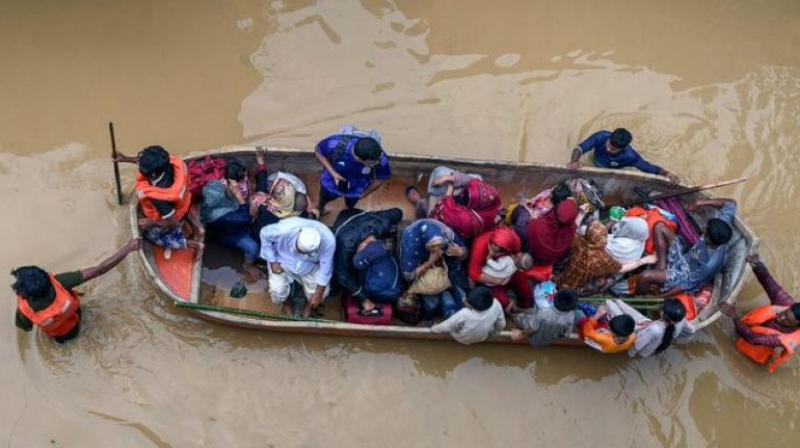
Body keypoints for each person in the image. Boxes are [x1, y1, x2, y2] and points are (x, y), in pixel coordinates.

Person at [13, 239, 141, 343]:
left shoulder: (23, 310)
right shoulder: (61, 282)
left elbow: (26, 328)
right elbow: (100, 269)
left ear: (23, 294)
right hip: (75, 315)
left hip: (61, 336)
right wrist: (127, 249)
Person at [635, 199, 737, 296]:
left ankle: (640, 294)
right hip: (687, 255)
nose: (704, 228)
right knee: (659, 227)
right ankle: (661, 266)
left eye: (706, 230)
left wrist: (663, 296)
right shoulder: (721, 227)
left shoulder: (709, 265)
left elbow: (687, 284)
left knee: (644, 276)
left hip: (684, 274)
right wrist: (700, 203)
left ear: (708, 239)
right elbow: (731, 203)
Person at [115, 146, 204, 256]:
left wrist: (151, 222)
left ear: (152, 175)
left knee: (149, 234)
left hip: (174, 218)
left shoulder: (158, 197)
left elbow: (174, 223)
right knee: (181, 207)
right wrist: (125, 159)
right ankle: (198, 227)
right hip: (184, 203)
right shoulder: (167, 162)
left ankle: (195, 245)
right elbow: (146, 161)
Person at [719, 253, 800, 373]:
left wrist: (734, 316)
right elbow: (768, 282)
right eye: (785, 313)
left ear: (796, 325)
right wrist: (757, 264)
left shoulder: (783, 339)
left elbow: (753, 339)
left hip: (757, 345)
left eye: (787, 320)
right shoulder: (784, 302)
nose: (781, 317)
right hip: (756, 328)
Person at [331, 208, 403, 316]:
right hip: (341, 225)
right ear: (363, 244)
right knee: (337, 278)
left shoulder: (382, 224)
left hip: (357, 215)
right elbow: (343, 276)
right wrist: (363, 299)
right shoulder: (346, 247)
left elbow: (398, 213)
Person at [259, 217, 335, 317]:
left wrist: (318, 294)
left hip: (310, 266)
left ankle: (309, 307)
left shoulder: (328, 240)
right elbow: (264, 234)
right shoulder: (285, 229)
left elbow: (326, 268)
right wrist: (273, 261)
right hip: (282, 260)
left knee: (321, 293)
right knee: (277, 291)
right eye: (299, 251)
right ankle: (287, 303)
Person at [400, 219, 468, 320]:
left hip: (445, 271)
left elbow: (464, 250)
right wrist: (429, 263)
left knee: (458, 291)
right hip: (423, 278)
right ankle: (429, 318)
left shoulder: (446, 234)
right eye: (434, 251)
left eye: (441, 249)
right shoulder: (411, 245)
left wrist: (460, 252)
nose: (440, 253)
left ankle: (455, 314)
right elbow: (408, 276)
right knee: (432, 304)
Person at [315, 126, 391, 212]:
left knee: (350, 204)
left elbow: (380, 179)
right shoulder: (334, 144)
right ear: (357, 158)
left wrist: (363, 194)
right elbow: (318, 151)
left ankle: (346, 211)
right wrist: (334, 174)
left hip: (357, 189)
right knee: (324, 199)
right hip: (331, 184)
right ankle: (320, 208)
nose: (377, 163)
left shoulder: (381, 159)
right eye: (371, 162)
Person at [567, 128, 679, 183]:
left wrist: (667, 174)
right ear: (609, 138)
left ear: (623, 148)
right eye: (608, 145)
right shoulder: (601, 136)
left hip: (611, 171)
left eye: (613, 149)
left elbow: (648, 167)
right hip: (595, 160)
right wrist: (574, 161)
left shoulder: (630, 156)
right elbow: (580, 148)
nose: (608, 149)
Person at [200, 180, 261, 279]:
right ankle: (247, 266)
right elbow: (246, 218)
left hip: (229, 226)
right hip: (230, 235)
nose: (225, 186)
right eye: (224, 189)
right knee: (253, 247)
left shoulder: (211, 195)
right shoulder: (222, 216)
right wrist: (238, 194)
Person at [249, 147, 313, 238]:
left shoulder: (264, 210)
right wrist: (310, 211)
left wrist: (253, 212)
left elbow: (261, 188)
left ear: (272, 197)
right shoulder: (300, 213)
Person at [467, 227, 534, 312]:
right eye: (491, 249)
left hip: (507, 270)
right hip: (487, 277)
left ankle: (526, 307)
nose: (492, 253)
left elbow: (517, 256)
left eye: (496, 252)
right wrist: (498, 281)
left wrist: (508, 276)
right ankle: (513, 309)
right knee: (503, 300)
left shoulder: (514, 241)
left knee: (524, 287)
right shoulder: (480, 245)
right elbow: (474, 274)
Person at [608, 298, 695, 357]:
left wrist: (629, 354)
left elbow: (636, 347)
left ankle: (610, 301)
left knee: (618, 314)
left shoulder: (654, 330)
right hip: (647, 325)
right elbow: (692, 330)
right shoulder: (679, 319)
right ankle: (616, 300)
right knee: (629, 311)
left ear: (662, 313)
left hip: (639, 335)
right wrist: (676, 340)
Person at [429, 176, 502, 240]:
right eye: (467, 192)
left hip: (453, 236)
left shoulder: (468, 221)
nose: (462, 195)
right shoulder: (485, 196)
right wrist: (447, 178)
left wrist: (450, 186)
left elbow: (448, 209)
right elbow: (472, 180)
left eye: (467, 199)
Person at [431, 286, 506, 345]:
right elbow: (501, 324)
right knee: (458, 291)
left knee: (445, 296)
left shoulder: (464, 314)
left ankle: (446, 294)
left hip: (461, 338)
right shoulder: (496, 304)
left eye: (467, 300)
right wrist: (491, 334)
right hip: (482, 337)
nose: (464, 299)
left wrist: (433, 328)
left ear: (474, 307)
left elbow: (445, 327)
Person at [521, 198, 581, 265]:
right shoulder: (571, 235)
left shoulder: (537, 225)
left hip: (532, 254)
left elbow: (529, 228)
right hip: (547, 262)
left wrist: (533, 217)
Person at [511, 289, 581, 346]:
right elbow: (567, 335)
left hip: (534, 340)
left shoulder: (544, 312)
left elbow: (532, 328)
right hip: (548, 340)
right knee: (532, 313)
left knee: (520, 317)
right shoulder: (571, 316)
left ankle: (513, 315)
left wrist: (520, 334)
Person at [604, 217, 651, 296]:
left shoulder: (621, 245)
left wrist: (609, 224)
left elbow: (597, 241)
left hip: (606, 269)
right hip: (617, 274)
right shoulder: (640, 240)